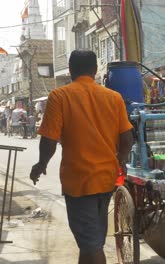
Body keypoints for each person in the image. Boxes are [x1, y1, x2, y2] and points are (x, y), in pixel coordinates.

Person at [29, 50, 134, 264]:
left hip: (79, 183)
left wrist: (41, 164)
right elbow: (127, 139)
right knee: (91, 242)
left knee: (91, 245)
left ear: (70, 70)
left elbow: (49, 140)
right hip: (106, 180)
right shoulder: (114, 98)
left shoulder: (60, 96)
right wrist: (120, 161)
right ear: (95, 70)